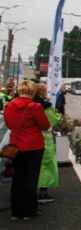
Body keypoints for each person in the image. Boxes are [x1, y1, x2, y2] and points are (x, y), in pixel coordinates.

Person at [4, 80, 51, 220]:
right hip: (33, 146)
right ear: (32, 92)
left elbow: (8, 124)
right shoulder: (35, 107)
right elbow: (45, 126)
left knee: (17, 178)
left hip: (16, 147)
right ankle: (29, 211)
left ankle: (15, 212)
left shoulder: (9, 106)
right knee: (31, 179)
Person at [33, 83, 61, 203]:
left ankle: (29, 194)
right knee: (45, 168)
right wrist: (58, 114)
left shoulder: (30, 105)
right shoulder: (46, 107)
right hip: (45, 143)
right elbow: (53, 120)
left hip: (30, 142)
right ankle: (43, 194)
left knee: (32, 169)